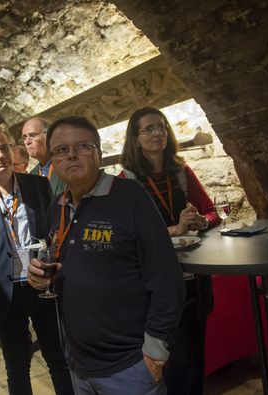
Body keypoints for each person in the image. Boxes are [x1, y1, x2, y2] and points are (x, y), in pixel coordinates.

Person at [27, 116, 185, 395]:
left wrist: (154, 352)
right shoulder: (57, 207)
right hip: (79, 366)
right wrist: (43, 280)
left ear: (99, 153)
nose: (72, 155)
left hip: (131, 365)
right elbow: (72, 267)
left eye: (83, 146)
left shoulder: (129, 196)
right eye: (61, 150)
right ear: (52, 160)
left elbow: (166, 278)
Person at [0, 125, 73, 395]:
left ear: (12, 150)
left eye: (3, 147)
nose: (0, 155)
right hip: (3, 291)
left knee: (59, 359)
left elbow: (54, 230)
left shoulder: (38, 185)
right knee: (17, 367)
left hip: (41, 283)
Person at [120, 106, 220, 395]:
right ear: (135, 139)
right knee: (175, 362)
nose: (158, 133)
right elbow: (127, 237)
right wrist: (172, 231)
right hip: (160, 286)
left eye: (161, 127)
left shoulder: (181, 172)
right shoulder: (126, 181)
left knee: (197, 357)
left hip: (196, 279)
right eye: (148, 129)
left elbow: (214, 214)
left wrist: (201, 221)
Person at [20, 117, 65, 195]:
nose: (27, 142)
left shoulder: (68, 164)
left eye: (32, 135)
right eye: (24, 137)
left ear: (49, 135)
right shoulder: (31, 177)